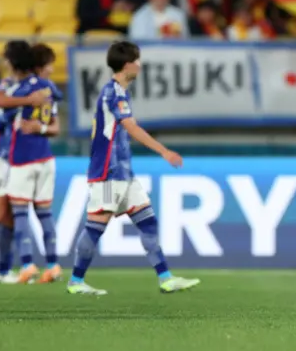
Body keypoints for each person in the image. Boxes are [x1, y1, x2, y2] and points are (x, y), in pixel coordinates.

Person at [67, 41, 200, 295]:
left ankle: (166, 278)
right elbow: (131, 127)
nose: (139, 65)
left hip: (124, 174)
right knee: (95, 228)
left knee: (148, 223)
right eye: (137, 60)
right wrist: (164, 151)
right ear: (127, 64)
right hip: (107, 175)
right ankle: (75, 281)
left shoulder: (119, 92)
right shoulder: (114, 93)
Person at [0, 71, 47, 284]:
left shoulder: (27, 92)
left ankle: (5, 269)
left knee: (10, 218)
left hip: (14, 161)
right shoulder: (6, 90)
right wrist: (16, 110)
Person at [1, 41, 60, 284]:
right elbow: (55, 127)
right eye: (49, 65)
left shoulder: (18, 91)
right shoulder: (50, 90)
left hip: (22, 158)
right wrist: (42, 127)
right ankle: (54, 265)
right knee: (45, 214)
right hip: (46, 158)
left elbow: (0, 109)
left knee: (21, 213)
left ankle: (27, 264)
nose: (52, 70)